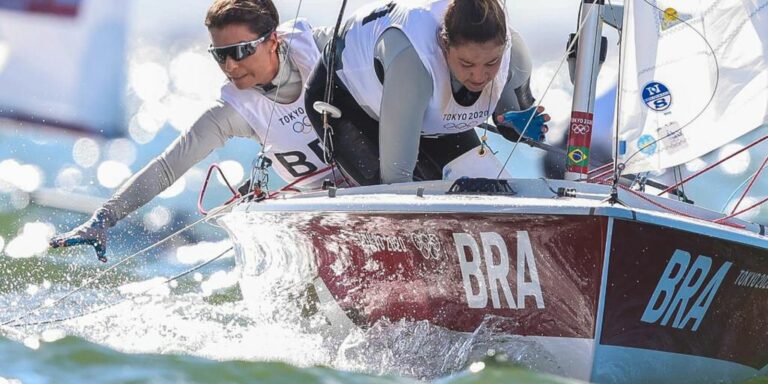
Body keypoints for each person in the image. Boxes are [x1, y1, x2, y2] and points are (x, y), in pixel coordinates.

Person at [49, 0, 337, 262]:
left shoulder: (319, 45)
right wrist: (102, 219)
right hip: (330, 214)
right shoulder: (233, 111)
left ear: (272, 40)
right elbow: (166, 168)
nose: (230, 66)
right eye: (220, 55)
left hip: (379, 191)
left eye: (240, 51)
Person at [305, 0, 550, 186]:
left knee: (492, 191)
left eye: (490, 64)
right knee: (395, 197)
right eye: (466, 64)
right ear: (444, 46)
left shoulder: (513, 55)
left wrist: (522, 126)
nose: (479, 77)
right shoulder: (414, 65)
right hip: (345, 97)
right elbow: (396, 180)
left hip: (421, 110)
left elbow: (510, 124)